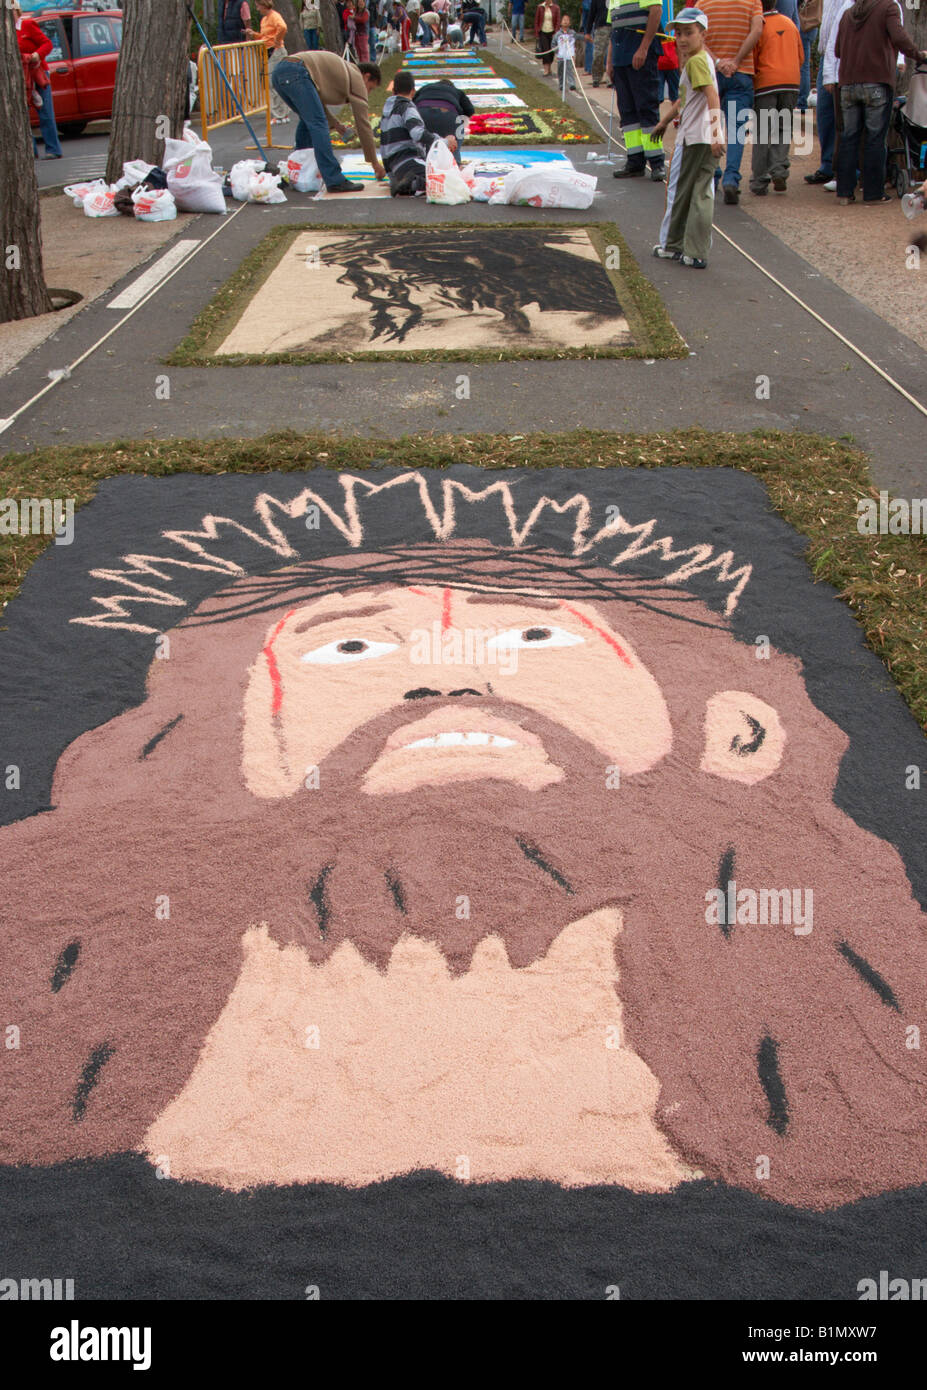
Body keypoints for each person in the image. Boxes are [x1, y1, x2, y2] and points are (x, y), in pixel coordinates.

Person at [834, 0, 926, 204]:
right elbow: (899, 38)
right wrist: (919, 55)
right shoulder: (888, 7)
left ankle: (844, 193)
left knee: (849, 138)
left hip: (847, 84)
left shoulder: (848, 14)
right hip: (876, 81)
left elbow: (838, 50)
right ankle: (873, 192)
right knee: (875, 139)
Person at [652, 7, 723, 266]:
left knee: (682, 193)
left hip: (695, 137)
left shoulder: (695, 61)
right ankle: (693, 250)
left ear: (702, 33)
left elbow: (712, 96)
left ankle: (675, 246)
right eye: (678, 33)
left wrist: (716, 133)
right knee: (701, 193)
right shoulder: (702, 59)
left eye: (689, 33)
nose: (682, 39)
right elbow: (685, 98)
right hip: (702, 136)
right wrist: (664, 121)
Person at [271, 52, 387, 191]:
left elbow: (317, 105)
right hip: (298, 71)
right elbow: (363, 125)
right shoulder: (356, 78)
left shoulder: (343, 71)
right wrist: (375, 164)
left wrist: (336, 125)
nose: (367, 93)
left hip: (280, 72)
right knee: (318, 124)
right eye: (370, 88)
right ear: (366, 76)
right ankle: (334, 179)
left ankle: (302, 172)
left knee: (308, 121)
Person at [699, 0, 764, 202]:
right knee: (737, 129)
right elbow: (757, 30)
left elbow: (698, 39)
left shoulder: (703, 3)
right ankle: (731, 179)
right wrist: (736, 60)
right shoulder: (753, 2)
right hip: (741, 72)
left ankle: (714, 173)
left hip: (712, 74)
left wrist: (718, 62)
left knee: (713, 124)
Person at [607, 0, 666, 180]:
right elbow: (614, 32)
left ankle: (656, 162)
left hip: (640, 56)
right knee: (627, 112)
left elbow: (656, 11)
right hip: (621, 58)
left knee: (646, 107)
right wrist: (609, 62)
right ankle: (635, 161)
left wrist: (644, 48)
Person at [749, 0, 803, 194]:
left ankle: (759, 179)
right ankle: (779, 169)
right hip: (791, 82)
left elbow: (752, 58)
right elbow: (801, 57)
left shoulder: (758, 27)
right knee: (783, 128)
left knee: (763, 131)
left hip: (765, 83)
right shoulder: (790, 23)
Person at [380, 69, 457, 193]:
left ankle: (405, 183)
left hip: (395, 167)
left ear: (393, 91)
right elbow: (418, 133)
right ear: (413, 91)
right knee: (448, 181)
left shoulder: (386, 114)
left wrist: (391, 175)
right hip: (409, 162)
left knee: (440, 178)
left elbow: (383, 147)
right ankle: (412, 185)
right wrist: (444, 142)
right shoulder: (407, 108)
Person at [804, 0, 852, 183]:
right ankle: (827, 165)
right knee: (825, 116)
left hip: (843, 56)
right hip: (827, 55)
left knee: (842, 118)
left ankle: (842, 169)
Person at [12, 2, 62, 160]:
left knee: (45, 112)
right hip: (20, 77)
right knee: (22, 115)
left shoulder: (27, 25)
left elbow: (47, 44)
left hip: (37, 73)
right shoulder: (7, 31)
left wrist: (36, 55)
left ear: (16, 11)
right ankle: (30, 151)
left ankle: (53, 149)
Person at [246, 0, 290, 124]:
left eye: (258, 6)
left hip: (276, 51)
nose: (257, 8)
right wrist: (254, 34)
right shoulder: (264, 20)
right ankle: (283, 113)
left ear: (264, 5)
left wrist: (277, 40)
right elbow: (264, 37)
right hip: (268, 51)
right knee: (276, 83)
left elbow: (283, 27)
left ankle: (279, 114)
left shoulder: (274, 16)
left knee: (272, 83)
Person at [414, 74, 475, 162]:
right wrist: (457, 118)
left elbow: (411, 104)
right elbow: (470, 110)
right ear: (451, 87)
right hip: (449, 115)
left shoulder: (426, 88)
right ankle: (455, 163)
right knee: (453, 146)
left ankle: (421, 166)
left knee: (423, 145)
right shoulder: (457, 91)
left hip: (422, 114)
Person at [796, 0, 821, 109]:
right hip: (811, 25)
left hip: (804, 25)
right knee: (804, 64)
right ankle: (802, 100)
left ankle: (802, 101)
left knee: (803, 65)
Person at [585, 0, 609, 87]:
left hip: (614, 28)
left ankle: (610, 78)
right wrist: (587, 32)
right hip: (600, 28)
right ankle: (596, 78)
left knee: (612, 56)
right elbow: (591, 15)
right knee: (598, 54)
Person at [535, 1, 560, 75]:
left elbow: (558, 21)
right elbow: (536, 20)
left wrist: (556, 33)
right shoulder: (540, 7)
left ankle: (549, 68)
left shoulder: (556, 8)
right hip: (543, 32)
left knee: (551, 51)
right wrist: (536, 33)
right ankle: (546, 69)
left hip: (552, 32)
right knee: (545, 50)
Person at [556, 14, 578, 91]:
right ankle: (561, 84)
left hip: (569, 55)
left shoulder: (572, 33)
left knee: (569, 69)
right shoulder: (558, 34)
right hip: (560, 55)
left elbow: (577, 40)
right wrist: (556, 52)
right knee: (560, 70)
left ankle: (572, 84)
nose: (565, 21)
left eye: (567, 20)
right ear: (561, 22)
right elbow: (553, 44)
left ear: (570, 23)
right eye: (564, 20)